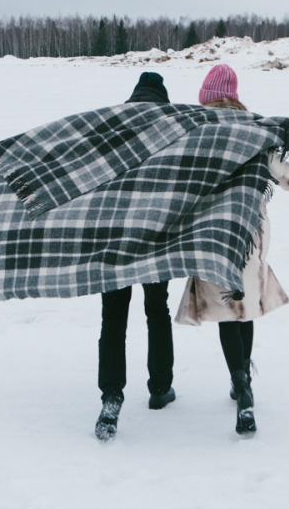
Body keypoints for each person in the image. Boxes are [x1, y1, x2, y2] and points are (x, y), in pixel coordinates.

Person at [175, 63, 289, 435]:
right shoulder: (256, 132)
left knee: (224, 307)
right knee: (244, 306)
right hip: (251, 232)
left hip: (211, 233)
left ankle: (242, 385)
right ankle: (242, 385)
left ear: (206, 98)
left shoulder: (197, 131)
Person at [95, 72, 177, 442]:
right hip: (156, 236)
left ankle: (111, 396)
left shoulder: (114, 126)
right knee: (156, 310)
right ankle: (160, 388)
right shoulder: (172, 127)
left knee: (113, 317)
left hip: (114, 238)